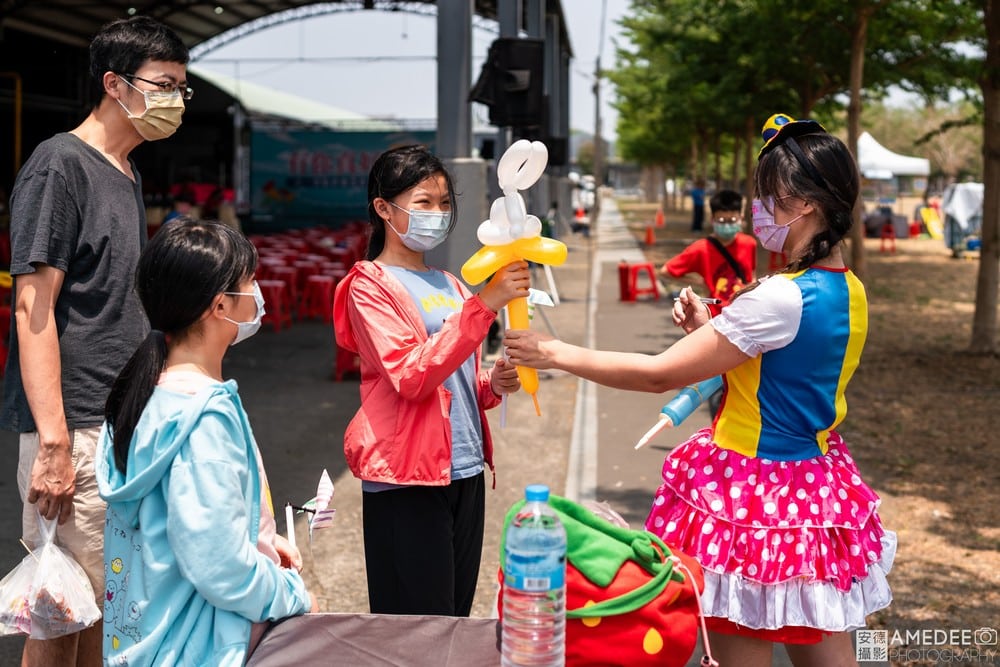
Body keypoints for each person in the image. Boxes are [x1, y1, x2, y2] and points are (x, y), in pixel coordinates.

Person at [504, 114, 894, 666]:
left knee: (742, 653)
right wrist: (712, 328)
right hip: (815, 490)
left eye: (767, 197)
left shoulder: (781, 296)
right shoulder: (850, 289)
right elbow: (789, 369)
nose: (759, 210)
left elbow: (659, 374)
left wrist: (553, 354)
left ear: (803, 202)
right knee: (825, 652)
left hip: (752, 496)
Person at [0, 16, 189, 667]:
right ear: (114, 83)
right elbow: (34, 305)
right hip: (74, 427)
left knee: (102, 611)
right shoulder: (61, 165)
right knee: (58, 611)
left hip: (119, 423)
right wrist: (53, 441)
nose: (175, 101)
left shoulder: (125, 172)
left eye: (181, 89)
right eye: (165, 85)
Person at [97, 219, 316, 664]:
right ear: (219, 306)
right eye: (250, 282)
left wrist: (261, 545)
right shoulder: (204, 417)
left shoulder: (140, 395)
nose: (257, 294)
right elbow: (219, 567)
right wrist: (290, 592)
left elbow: (181, 521)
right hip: (201, 646)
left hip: (148, 637)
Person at [332, 144, 529, 616]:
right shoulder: (370, 285)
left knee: (454, 618)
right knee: (416, 627)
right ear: (383, 208)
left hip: (462, 469)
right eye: (423, 203)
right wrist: (485, 305)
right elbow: (410, 375)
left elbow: (455, 380)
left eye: (444, 204)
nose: (437, 214)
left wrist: (492, 383)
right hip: (406, 478)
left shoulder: (451, 283)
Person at [661, 189, 757, 312]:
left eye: (732, 220)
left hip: (746, 312)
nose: (727, 225)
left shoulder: (749, 243)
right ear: (713, 219)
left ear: (741, 218)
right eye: (721, 220)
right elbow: (666, 271)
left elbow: (751, 275)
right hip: (715, 316)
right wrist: (700, 282)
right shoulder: (700, 248)